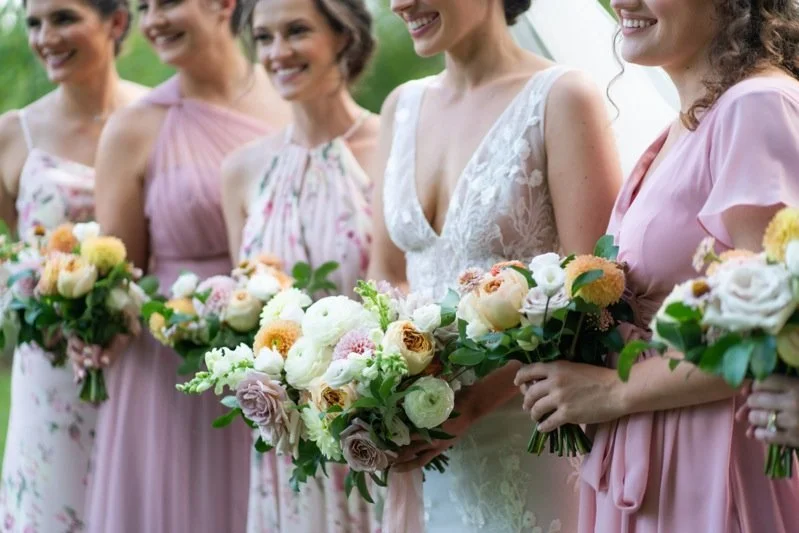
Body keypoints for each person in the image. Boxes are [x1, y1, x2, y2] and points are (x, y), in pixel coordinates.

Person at [515, 0, 799, 531]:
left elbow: (773, 338)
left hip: (712, 460)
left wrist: (613, 390)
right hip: (653, 454)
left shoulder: (756, 106)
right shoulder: (689, 123)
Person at [368, 0, 622, 531]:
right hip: (420, 443)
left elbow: (593, 295)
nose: (399, 5)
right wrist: (376, 391)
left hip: (525, 438)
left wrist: (473, 404)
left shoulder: (561, 98)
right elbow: (386, 271)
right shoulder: (400, 107)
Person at [85, 0, 291, 530]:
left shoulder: (291, 95)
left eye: (167, 3)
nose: (152, 21)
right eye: (143, 7)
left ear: (224, 4)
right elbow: (119, 279)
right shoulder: (133, 129)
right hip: (170, 373)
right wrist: (94, 325)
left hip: (278, 360)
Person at [220, 0, 380, 530]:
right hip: (284, 444)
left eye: (296, 32)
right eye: (263, 38)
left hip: (375, 431)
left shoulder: (391, 147)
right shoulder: (241, 171)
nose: (277, 52)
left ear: (343, 35)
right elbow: (248, 315)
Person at [0, 0, 145, 529]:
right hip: (52, 369)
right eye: (35, 23)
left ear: (117, 21)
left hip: (142, 361)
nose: (45, 37)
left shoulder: (158, 119)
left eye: (63, 18)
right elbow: (17, 251)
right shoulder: (13, 134)